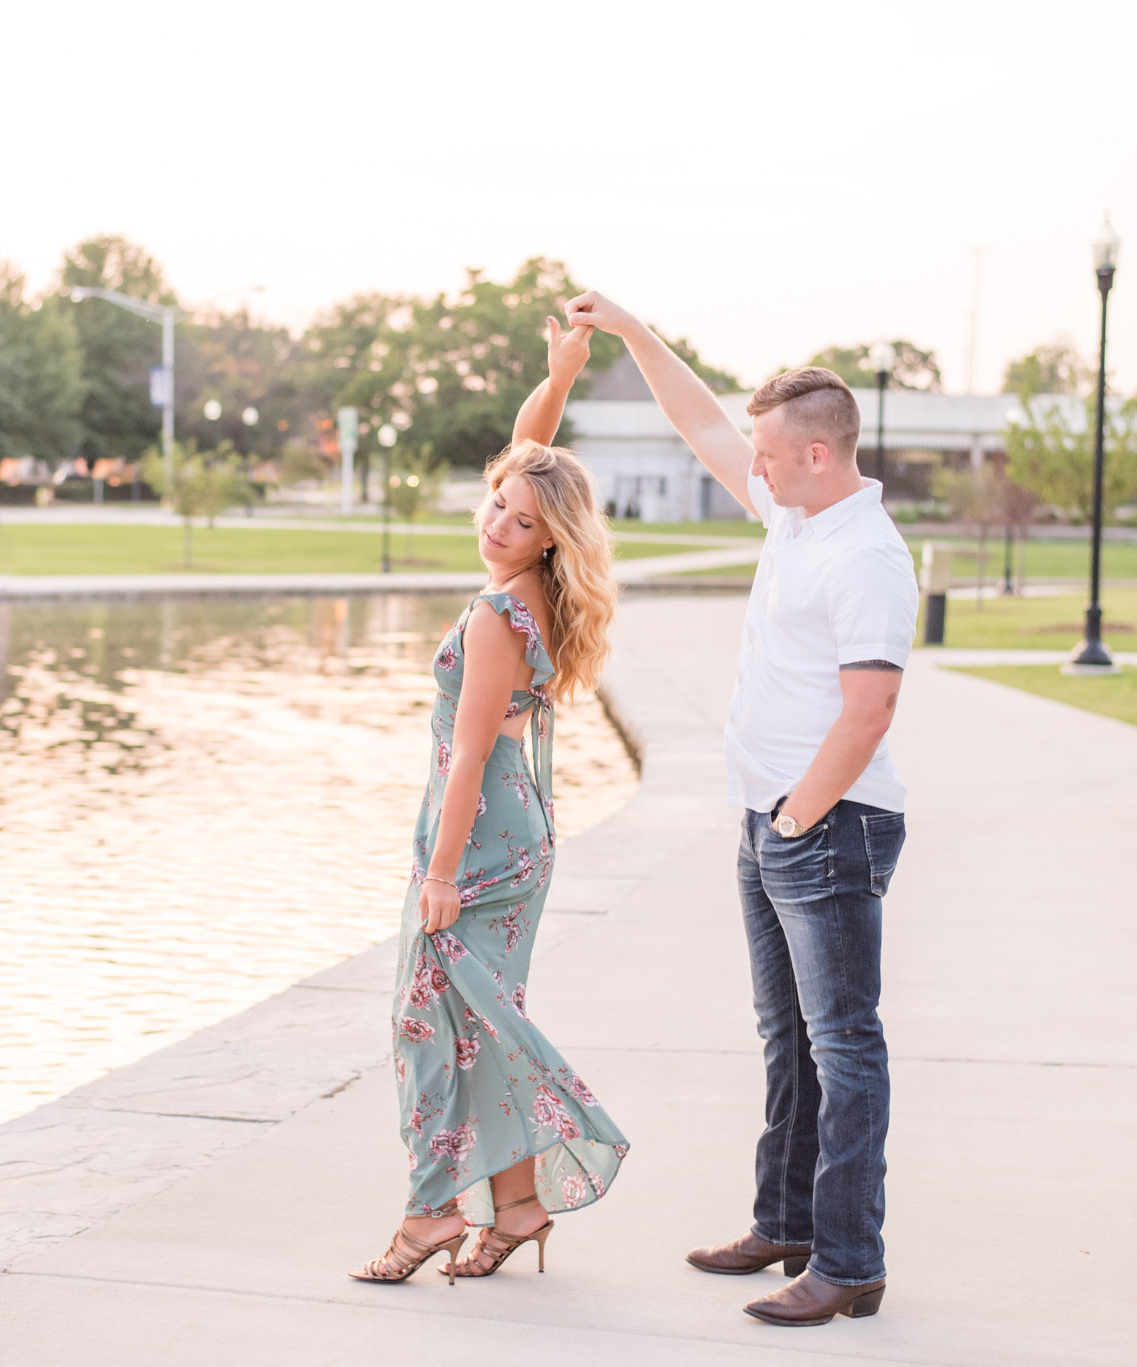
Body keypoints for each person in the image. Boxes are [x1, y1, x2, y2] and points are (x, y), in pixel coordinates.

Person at [564, 291, 917, 1327]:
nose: (747, 466)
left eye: (766, 453)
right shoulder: (794, 514)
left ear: (814, 455)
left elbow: (870, 708)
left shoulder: (864, 554)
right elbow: (703, 422)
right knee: (786, 1038)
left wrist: (800, 816)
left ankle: (848, 1261)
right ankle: (784, 1221)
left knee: (842, 1043)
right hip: (773, 820)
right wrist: (630, 331)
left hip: (828, 823)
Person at [352, 319, 630, 1284]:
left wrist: (437, 873)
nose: (496, 523)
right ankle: (514, 1203)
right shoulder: (542, 588)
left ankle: (431, 1210)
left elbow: (466, 755)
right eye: (495, 506)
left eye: (518, 518)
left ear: (549, 534)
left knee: (424, 1023)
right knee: (480, 1019)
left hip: (477, 836)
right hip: (521, 830)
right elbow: (530, 460)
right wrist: (555, 381)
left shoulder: (495, 612)